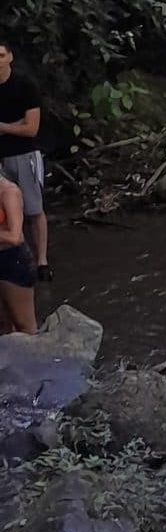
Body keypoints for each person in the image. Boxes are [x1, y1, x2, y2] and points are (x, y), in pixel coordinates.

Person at [0, 37, 48, 282]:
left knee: (33, 209)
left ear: (10, 57)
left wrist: (5, 127)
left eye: (0, 56)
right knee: (6, 214)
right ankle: (16, 257)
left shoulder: (24, 85)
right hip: (1, 158)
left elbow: (32, 128)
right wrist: (14, 124)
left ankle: (42, 261)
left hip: (24, 154)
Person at [0, 171, 36, 333]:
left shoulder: (9, 192)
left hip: (13, 259)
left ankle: (36, 356)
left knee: (24, 324)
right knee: (3, 323)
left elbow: (15, 236)